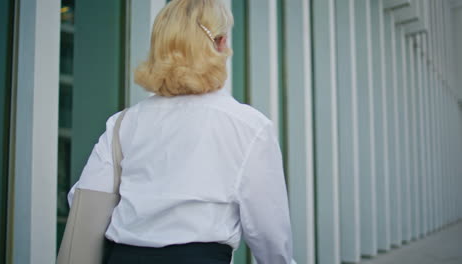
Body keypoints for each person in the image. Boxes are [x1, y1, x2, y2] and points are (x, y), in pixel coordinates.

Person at [68, 0, 295, 263]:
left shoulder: (124, 122)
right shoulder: (248, 126)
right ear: (220, 44)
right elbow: (269, 233)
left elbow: (83, 197)